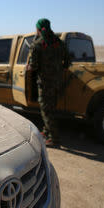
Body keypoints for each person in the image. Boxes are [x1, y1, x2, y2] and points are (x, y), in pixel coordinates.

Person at [26, 18, 71, 148]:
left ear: (39, 29)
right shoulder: (59, 43)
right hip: (57, 82)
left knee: (46, 110)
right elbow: (67, 63)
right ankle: (46, 132)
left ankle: (54, 139)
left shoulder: (38, 44)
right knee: (51, 108)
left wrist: (29, 67)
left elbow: (33, 66)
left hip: (45, 83)